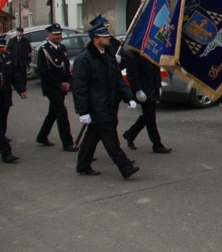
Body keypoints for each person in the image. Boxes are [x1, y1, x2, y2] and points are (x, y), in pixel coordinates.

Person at [73, 23, 140, 179]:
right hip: (96, 107)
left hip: (108, 104)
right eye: (104, 37)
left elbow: (117, 79)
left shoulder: (108, 55)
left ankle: (83, 165)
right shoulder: (84, 59)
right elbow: (79, 88)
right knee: (110, 139)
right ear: (96, 40)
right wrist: (83, 111)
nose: (108, 38)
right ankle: (126, 167)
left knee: (92, 137)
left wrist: (129, 97)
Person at [35, 23, 78, 152]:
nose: (58, 37)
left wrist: (69, 81)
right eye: (55, 35)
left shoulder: (62, 48)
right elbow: (44, 72)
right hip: (51, 87)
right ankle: (67, 142)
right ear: (48, 36)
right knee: (61, 113)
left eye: (59, 34)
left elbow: (65, 68)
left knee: (53, 113)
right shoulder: (43, 50)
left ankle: (42, 136)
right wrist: (59, 84)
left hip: (62, 86)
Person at [122, 50, 172, 153]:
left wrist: (158, 85)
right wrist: (138, 90)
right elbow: (132, 73)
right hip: (143, 89)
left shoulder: (151, 50)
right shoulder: (133, 52)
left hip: (152, 87)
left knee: (148, 116)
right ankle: (157, 144)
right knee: (150, 117)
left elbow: (156, 69)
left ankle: (130, 134)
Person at [0, 48, 27, 163]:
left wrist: (21, 89)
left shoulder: (6, 57)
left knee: (2, 120)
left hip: (4, 95)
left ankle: (2, 140)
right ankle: (6, 153)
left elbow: (14, 75)